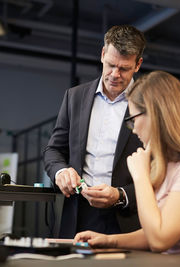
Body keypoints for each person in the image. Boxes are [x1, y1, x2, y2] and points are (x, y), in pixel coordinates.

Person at [74, 70, 180, 258]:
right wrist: (109, 240)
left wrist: (141, 177)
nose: (134, 128)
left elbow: (159, 240)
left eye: (134, 119)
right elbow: (154, 231)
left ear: (154, 116)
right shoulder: (170, 166)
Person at [43, 25, 146, 238]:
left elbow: (160, 171)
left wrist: (120, 195)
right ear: (102, 54)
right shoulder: (75, 97)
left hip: (128, 219)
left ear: (138, 65)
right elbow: (53, 151)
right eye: (110, 65)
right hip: (76, 213)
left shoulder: (149, 105)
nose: (115, 75)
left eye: (124, 68)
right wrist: (61, 172)